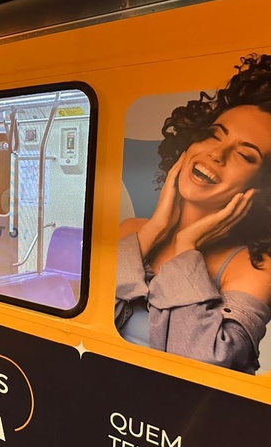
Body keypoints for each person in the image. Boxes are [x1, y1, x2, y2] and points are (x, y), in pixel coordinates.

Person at [116, 54, 271, 374]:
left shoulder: (257, 267)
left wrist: (187, 246)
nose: (217, 153)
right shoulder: (132, 230)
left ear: (262, 187)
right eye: (214, 135)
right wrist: (156, 228)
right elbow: (80, 323)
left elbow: (199, 365)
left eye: (245, 155)